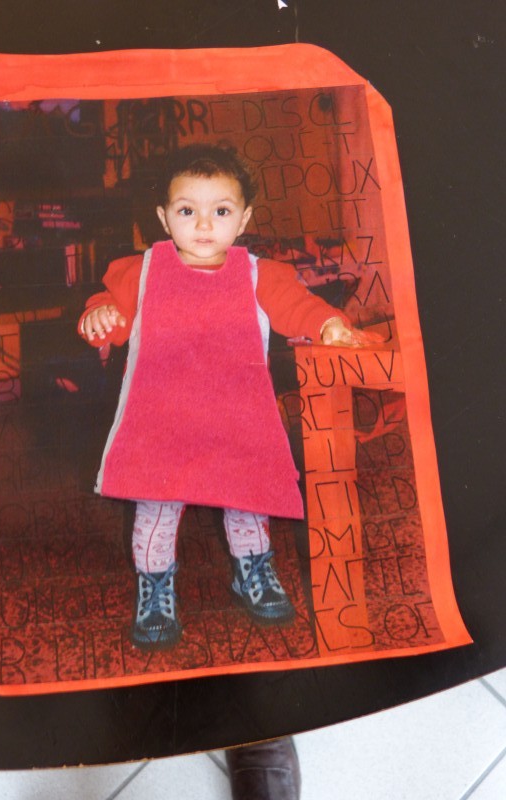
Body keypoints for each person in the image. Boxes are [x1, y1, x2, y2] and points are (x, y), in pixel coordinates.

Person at [79, 143, 377, 653]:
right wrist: (99, 317)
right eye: (186, 211)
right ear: (163, 217)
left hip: (238, 419)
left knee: (247, 501)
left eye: (220, 211)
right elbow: (111, 313)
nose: (203, 225)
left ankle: (252, 570)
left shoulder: (259, 274)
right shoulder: (142, 272)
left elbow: (298, 306)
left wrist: (327, 322)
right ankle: (154, 587)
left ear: (243, 219)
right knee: (156, 507)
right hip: (161, 420)